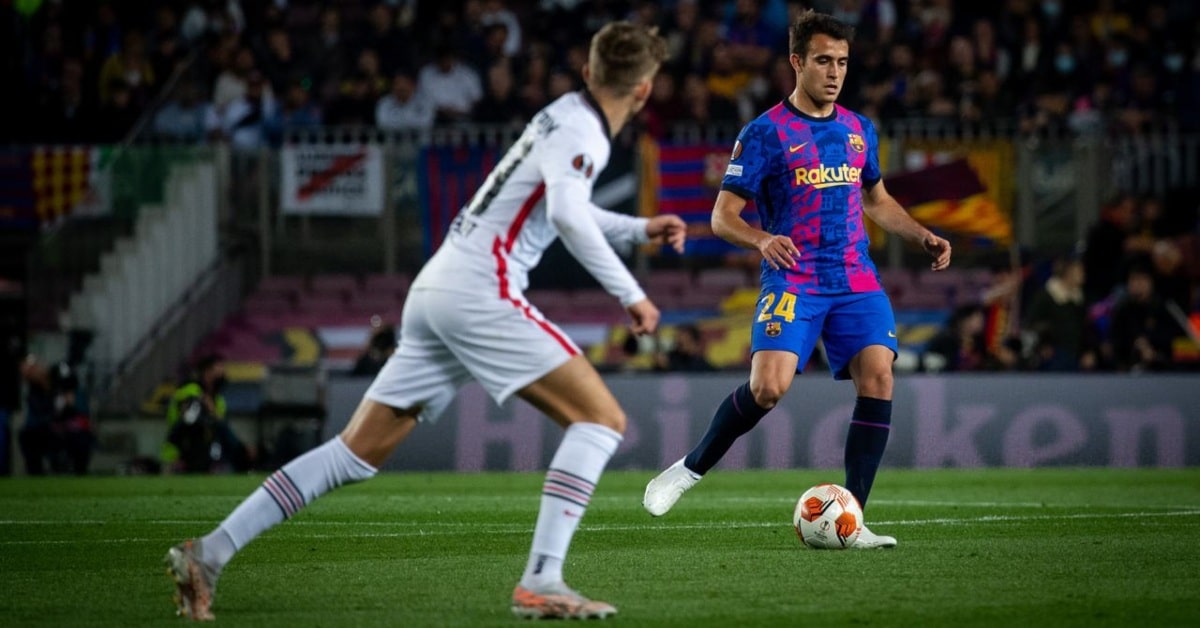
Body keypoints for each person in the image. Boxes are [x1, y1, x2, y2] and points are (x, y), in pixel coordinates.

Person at [165, 22, 683, 621]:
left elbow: (564, 206)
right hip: (480, 290)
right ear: (645, 91)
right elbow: (568, 215)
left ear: (589, 72)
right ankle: (542, 578)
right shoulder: (585, 134)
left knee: (352, 454)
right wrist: (631, 293)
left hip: (439, 285)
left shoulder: (563, 114)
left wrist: (638, 229)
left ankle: (208, 553)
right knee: (601, 419)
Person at [642, 11, 951, 549]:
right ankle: (687, 470)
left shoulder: (859, 129)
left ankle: (853, 518)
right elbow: (721, 217)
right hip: (795, 278)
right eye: (824, 61)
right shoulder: (764, 133)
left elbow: (875, 199)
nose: (835, 73)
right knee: (769, 388)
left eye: (843, 62)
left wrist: (921, 234)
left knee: (878, 377)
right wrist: (761, 239)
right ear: (797, 62)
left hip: (854, 276)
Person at [162, 353, 250, 474]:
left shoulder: (219, 400)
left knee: (221, 430)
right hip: (178, 451)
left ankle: (235, 459)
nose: (222, 373)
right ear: (207, 372)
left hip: (206, 453)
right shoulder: (190, 389)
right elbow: (187, 419)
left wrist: (212, 410)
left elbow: (219, 424)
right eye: (218, 369)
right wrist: (203, 404)